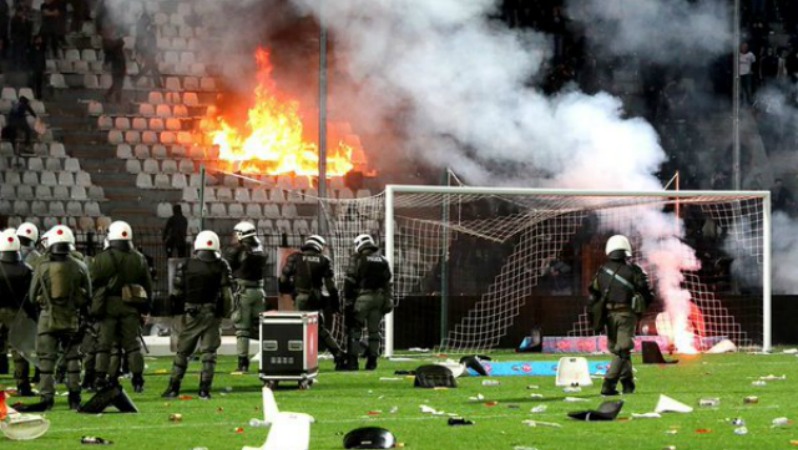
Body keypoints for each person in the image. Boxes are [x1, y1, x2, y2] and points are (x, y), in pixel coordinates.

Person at [16, 225, 91, 412]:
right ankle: (75, 398)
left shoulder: (41, 266)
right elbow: (88, 296)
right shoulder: (80, 266)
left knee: (46, 361)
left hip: (47, 319)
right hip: (71, 318)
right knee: (73, 359)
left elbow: (32, 297)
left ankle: (46, 399)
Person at [162, 231, 233, 399]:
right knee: (209, 354)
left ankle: (174, 387)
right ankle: (204, 390)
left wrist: (177, 315)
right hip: (211, 314)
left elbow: (177, 293)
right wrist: (225, 313)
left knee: (183, 352)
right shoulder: (221, 265)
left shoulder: (186, 265)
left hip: (191, 314)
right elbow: (227, 294)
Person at [90, 221, 152, 393]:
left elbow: (93, 283)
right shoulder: (139, 258)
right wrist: (145, 309)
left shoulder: (101, 258)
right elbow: (147, 287)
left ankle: (101, 378)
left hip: (107, 307)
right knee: (132, 346)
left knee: (105, 345)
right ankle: (138, 380)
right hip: (131, 307)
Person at [588, 235, 653, 396]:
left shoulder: (602, 271)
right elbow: (648, 293)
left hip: (608, 316)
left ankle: (628, 384)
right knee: (622, 351)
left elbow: (593, 293)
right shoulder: (634, 270)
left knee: (620, 351)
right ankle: (608, 385)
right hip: (626, 315)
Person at [279, 234, 347, 370]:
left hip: (301, 297)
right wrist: (335, 305)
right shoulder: (324, 260)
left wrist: (288, 290)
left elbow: (283, 279)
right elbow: (331, 286)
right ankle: (338, 354)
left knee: (300, 329)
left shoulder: (295, 258)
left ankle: (300, 359)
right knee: (320, 328)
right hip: (316, 297)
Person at [343, 234, 393, 371]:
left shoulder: (358, 259)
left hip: (362, 298)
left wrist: (347, 301)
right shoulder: (383, 260)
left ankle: (353, 362)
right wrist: (388, 300)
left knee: (355, 330)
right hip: (379, 298)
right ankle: (372, 362)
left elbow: (350, 281)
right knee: (374, 331)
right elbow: (387, 283)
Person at [223, 221, 266, 373]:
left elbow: (227, 267)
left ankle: (243, 363)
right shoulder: (259, 249)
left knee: (242, 330)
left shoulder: (238, 250)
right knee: (262, 328)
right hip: (259, 291)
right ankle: (267, 357)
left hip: (244, 292)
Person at [0, 229, 36, 396]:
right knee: (19, 350)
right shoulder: (26, 269)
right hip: (18, 314)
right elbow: (32, 295)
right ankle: (23, 386)